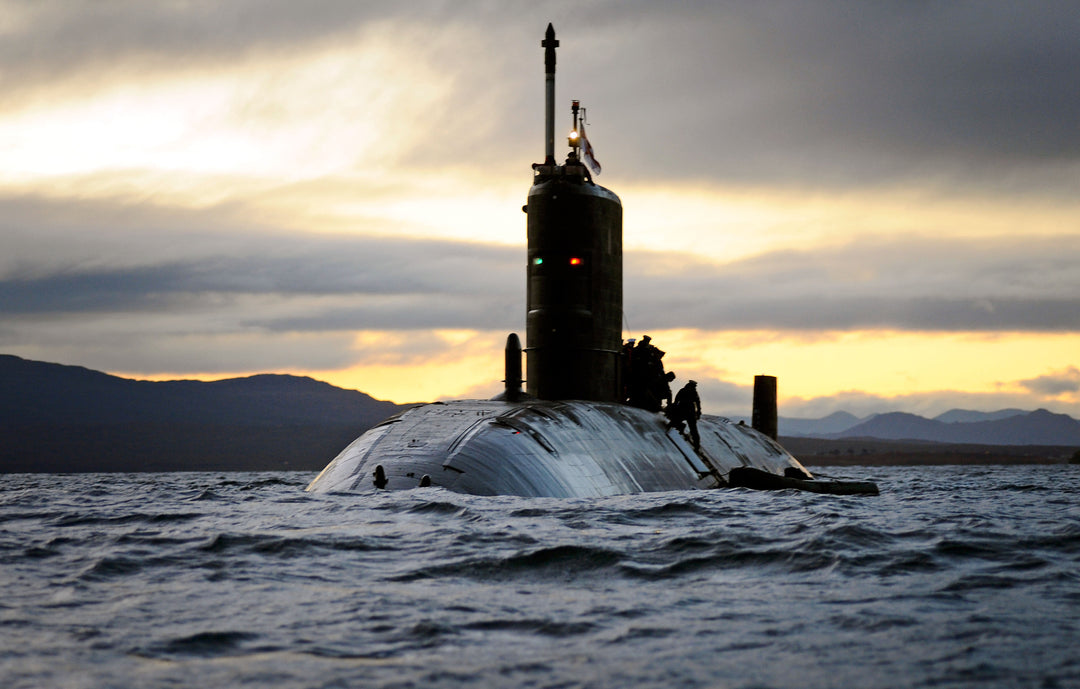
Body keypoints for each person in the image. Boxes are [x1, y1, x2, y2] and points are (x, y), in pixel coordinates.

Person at [668, 380, 702, 450]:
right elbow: (698, 403)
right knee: (693, 429)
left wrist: (673, 408)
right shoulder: (694, 392)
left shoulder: (683, 390)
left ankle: (680, 426)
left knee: (675, 422)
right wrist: (698, 412)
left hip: (682, 410)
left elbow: (676, 400)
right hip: (689, 411)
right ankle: (697, 445)